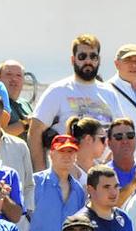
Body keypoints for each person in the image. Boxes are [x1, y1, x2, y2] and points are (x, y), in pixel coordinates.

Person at [27, 33, 122, 169]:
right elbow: (35, 131)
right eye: (82, 57)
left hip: (103, 178)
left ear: (99, 60)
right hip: (66, 176)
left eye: (93, 56)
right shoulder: (57, 90)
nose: (88, 61)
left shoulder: (109, 93)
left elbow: (119, 132)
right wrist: (40, 173)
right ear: (73, 60)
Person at [107, 44, 136, 154]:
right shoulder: (106, 90)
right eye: (128, 61)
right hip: (120, 156)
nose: (134, 65)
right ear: (117, 64)